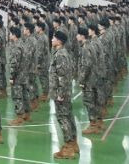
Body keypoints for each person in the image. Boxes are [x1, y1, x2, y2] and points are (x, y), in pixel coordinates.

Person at [49, 30, 78, 158]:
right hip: (64, 91)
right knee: (68, 116)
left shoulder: (60, 55)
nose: (52, 40)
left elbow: (63, 76)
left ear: (59, 41)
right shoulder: (62, 53)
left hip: (61, 92)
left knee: (63, 118)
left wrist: (60, 93)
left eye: (54, 38)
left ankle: (68, 148)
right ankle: (73, 143)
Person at [77, 26, 102, 135]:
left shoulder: (86, 48)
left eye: (78, 35)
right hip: (93, 77)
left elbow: (86, 65)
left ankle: (93, 125)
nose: (76, 36)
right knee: (94, 101)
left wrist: (81, 80)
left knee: (89, 102)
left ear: (82, 36)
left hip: (88, 79)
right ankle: (98, 122)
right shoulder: (90, 45)